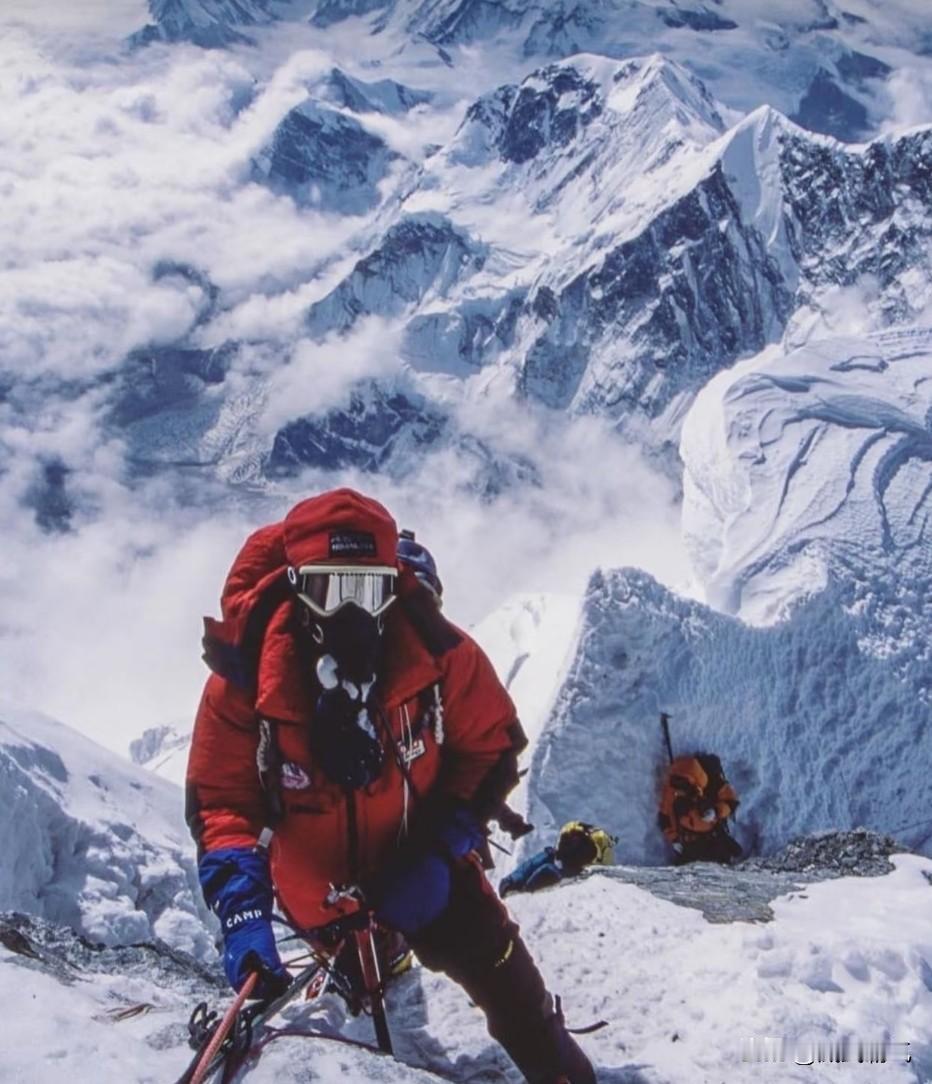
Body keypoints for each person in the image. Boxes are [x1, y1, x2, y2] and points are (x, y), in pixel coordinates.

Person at [186, 488, 595, 1084]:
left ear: (392, 585)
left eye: (367, 588)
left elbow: (492, 746)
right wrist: (245, 909)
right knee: (370, 970)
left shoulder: (437, 655)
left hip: (422, 870)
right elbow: (223, 800)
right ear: (298, 587)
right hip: (318, 899)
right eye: (331, 590)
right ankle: (368, 968)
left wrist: (443, 844)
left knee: (509, 984)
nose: (349, 613)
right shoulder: (248, 680)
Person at [657, 753, 742, 865]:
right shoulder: (672, 789)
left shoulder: (713, 783)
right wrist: (674, 839)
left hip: (714, 838)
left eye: (682, 791)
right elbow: (665, 817)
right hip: (688, 844)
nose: (678, 793)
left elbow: (731, 802)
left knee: (731, 857)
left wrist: (716, 811)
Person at [500, 822, 616, 897]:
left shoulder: (549, 860)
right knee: (548, 864)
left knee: (547, 862)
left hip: (566, 865)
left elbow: (528, 867)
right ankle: (517, 888)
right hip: (569, 866)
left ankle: (516, 888)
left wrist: (511, 882)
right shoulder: (551, 865)